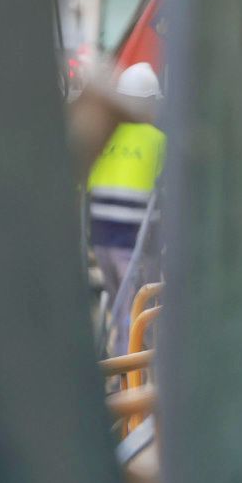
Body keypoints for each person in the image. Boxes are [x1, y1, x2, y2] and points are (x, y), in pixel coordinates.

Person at [86, 62, 165, 306]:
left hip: (100, 237)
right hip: (135, 241)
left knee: (118, 307)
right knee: (137, 312)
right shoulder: (159, 141)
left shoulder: (103, 137)